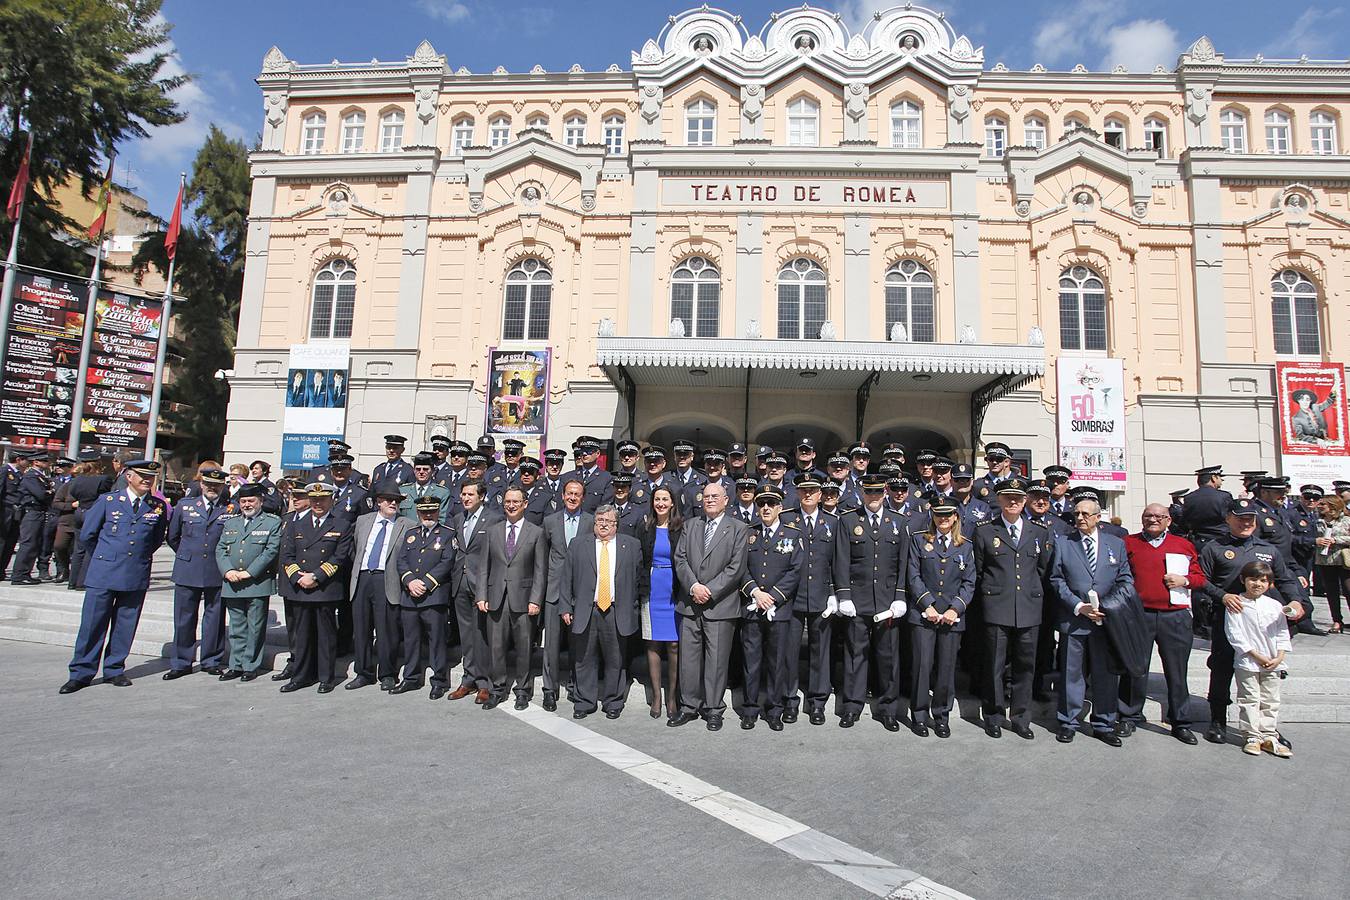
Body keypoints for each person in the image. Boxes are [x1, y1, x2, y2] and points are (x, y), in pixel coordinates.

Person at [1196, 498, 1305, 744]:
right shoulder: (1214, 548)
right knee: (1222, 668)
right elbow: (1201, 580)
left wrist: (1296, 601)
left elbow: (1286, 578)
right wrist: (1223, 596)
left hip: (1262, 622)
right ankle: (1218, 720)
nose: (1246, 522)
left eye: (1250, 518)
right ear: (1228, 519)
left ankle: (1267, 729)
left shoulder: (1268, 549)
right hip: (1228, 616)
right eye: (1240, 517)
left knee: (1265, 676)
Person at [60, 460, 169, 693]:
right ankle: (81, 672)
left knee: (125, 625)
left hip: (135, 572)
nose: (147, 480)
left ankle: (114, 669)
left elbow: (155, 540)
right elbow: (89, 535)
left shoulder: (156, 506)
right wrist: (106, 557)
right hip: (104, 572)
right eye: (141, 475)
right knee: (92, 625)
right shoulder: (108, 502)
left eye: (151, 477)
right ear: (129, 476)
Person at [970, 479, 1055, 739]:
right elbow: (980, 570)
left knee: (1025, 666)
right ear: (999, 500)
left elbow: (1042, 570)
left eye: (1018, 497)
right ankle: (994, 716)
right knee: (994, 665)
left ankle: (1021, 717)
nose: (1013, 502)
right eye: (1008, 497)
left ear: (1025, 500)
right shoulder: (985, 531)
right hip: (996, 605)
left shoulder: (1038, 531)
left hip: (1028, 607)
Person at [1048, 497, 1136, 746]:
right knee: (1071, 673)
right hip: (1074, 619)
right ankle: (1068, 721)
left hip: (1106, 621)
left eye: (1086, 514)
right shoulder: (1064, 543)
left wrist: (1107, 607)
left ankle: (1104, 723)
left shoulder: (1115, 544)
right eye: (1076, 514)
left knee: (1105, 674)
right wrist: (1079, 606)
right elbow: (1056, 579)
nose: (1080, 518)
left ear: (1098, 517)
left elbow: (1125, 580)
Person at [1119, 504, 1206, 744]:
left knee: (1177, 672)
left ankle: (1180, 722)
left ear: (1168, 520)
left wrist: (1184, 579)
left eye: (1159, 516)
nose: (1153, 520)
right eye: (1148, 516)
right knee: (1135, 668)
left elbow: (1200, 578)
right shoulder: (1129, 543)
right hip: (1140, 614)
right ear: (1142, 519)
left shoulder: (1183, 545)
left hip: (1175, 616)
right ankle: (1129, 715)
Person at [831, 471, 910, 731]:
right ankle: (852, 706)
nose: (873, 496)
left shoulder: (899, 521)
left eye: (878, 492)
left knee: (888, 657)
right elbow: (841, 559)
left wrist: (900, 596)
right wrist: (843, 595)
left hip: (888, 603)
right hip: (858, 600)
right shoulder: (849, 519)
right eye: (869, 492)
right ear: (861, 493)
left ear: (885, 492)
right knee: (854, 655)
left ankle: (887, 708)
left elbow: (903, 563)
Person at [670, 481, 749, 731]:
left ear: (727, 500)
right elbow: (680, 559)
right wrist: (694, 587)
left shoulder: (738, 528)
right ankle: (689, 707)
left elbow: (736, 568)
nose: (710, 500)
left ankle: (714, 709)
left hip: (720, 605)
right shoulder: (691, 525)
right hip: (690, 602)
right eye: (706, 496)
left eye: (716, 496)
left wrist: (710, 590)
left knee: (716, 661)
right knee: (689, 660)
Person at [559, 505, 647, 719]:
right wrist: (565, 607)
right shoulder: (579, 544)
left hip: (617, 611)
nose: (604, 525)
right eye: (600, 521)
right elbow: (566, 578)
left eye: (608, 521)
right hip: (586, 610)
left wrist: (632, 606)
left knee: (615, 659)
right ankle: (584, 702)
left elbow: (638, 579)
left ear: (616, 524)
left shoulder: (632, 545)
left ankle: (613, 701)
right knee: (584, 658)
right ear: (594, 523)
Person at [906, 493, 976, 738]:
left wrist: (954, 608)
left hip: (951, 618)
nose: (943, 519)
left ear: (956, 517)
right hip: (924, 615)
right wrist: (928, 605)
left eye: (948, 515)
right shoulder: (919, 541)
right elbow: (913, 575)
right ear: (932, 516)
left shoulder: (965, 546)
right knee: (922, 667)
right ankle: (919, 716)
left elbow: (969, 583)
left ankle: (942, 716)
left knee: (946, 670)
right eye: (938, 514)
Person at [474, 485, 547, 709]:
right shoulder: (492, 531)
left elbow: (540, 570)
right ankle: (497, 689)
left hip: (524, 600)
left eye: (516, 502)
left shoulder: (536, 532)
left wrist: (535, 600)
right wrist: (481, 595)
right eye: (508, 502)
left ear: (525, 504)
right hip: (496, 598)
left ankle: (522, 690)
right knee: (496, 647)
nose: (511, 505)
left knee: (524, 648)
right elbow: (483, 567)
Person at [277, 482, 355, 694]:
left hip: (324, 588)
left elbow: (340, 557)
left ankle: (325, 677)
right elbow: (287, 555)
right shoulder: (294, 525)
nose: (318, 503)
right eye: (314, 499)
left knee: (326, 636)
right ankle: (300, 676)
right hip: (300, 587)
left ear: (332, 500)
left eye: (322, 499)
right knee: (300, 636)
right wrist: (298, 577)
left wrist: (316, 577)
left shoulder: (341, 525)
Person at [737, 486, 802, 731]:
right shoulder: (748, 534)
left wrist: (772, 597)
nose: (765, 508)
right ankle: (750, 709)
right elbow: (740, 568)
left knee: (776, 662)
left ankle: (774, 709)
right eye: (761, 503)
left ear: (779, 508)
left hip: (780, 609)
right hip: (753, 608)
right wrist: (755, 592)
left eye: (770, 503)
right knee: (751, 662)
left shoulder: (792, 535)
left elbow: (795, 571)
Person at [164, 468, 231, 679]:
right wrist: (187, 555)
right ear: (201, 484)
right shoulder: (185, 506)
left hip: (216, 570)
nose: (212, 488)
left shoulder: (231, 509)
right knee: (184, 619)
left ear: (223, 487)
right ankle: (181, 662)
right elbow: (173, 537)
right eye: (208, 484)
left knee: (215, 619)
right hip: (188, 568)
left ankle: (211, 660)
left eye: (217, 485)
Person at [782, 472, 837, 726]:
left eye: (812, 490)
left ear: (820, 494)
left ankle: (817, 702)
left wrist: (836, 594)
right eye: (803, 490)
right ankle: (790, 701)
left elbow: (838, 562)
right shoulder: (786, 520)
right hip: (791, 597)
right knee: (789, 652)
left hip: (821, 596)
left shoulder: (833, 522)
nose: (807, 494)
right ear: (797, 493)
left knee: (820, 652)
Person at [215, 483, 282, 681]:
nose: (246, 504)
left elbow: (271, 551)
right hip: (232, 582)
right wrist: (228, 571)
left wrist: (249, 573)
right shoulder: (231, 523)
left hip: (256, 583)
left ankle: (250, 666)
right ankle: (235, 665)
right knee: (236, 628)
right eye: (243, 501)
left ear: (260, 501)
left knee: (255, 627)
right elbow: (220, 549)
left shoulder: (272, 522)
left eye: (251, 500)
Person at [1225, 561, 1293, 757]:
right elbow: (1234, 634)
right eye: (1253, 579)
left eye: (1263, 580)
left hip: (1273, 662)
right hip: (1248, 661)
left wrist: (1279, 657)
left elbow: (1282, 633)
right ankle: (1252, 736)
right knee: (1249, 698)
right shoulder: (1237, 603)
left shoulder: (1275, 605)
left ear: (1269, 583)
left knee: (1270, 699)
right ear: (1243, 580)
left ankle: (1269, 734)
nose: (1257, 584)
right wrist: (1255, 655)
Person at [393, 495, 458, 699]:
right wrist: (410, 581)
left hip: (434, 596)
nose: (428, 515)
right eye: (424, 511)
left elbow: (447, 562)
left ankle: (439, 681)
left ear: (438, 512)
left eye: (432, 511)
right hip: (410, 595)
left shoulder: (447, 534)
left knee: (436, 640)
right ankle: (411, 678)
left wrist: (426, 583)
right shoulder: (411, 533)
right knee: (411, 640)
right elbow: (401, 560)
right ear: (418, 512)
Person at [346, 489, 411, 691]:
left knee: (387, 630)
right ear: (378, 502)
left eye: (397, 501)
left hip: (387, 578)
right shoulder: (364, 521)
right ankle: (363, 672)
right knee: (361, 629)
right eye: (389, 500)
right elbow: (355, 548)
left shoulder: (407, 525)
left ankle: (388, 673)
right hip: (363, 576)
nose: (394, 503)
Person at [447, 479, 499, 703]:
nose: (466, 498)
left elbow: (497, 556)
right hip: (460, 583)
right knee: (466, 635)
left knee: (482, 635)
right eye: (463, 494)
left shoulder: (494, 519)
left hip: (482, 585)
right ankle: (468, 679)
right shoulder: (459, 519)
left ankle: (484, 682)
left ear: (481, 497)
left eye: (470, 495)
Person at [542, 480, 592, 710]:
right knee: (551, 644)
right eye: (569, 494)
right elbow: (543, 559)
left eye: (577, 494)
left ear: (583, 498)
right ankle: (549, 690)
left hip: (580, 591)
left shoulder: (590, 521)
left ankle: (575, 686)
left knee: (578, 643)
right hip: (553, 590)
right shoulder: (550, 521)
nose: (573, 498)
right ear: (562, 496)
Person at [638, 485, 682, 718]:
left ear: (672, 502)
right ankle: (657, 696)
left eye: (665, 499)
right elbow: (639, 559)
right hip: (652, 588)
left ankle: (672, 697)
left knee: (673, 645)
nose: (661, 503)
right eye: (657, 499)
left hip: (673, 589)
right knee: (653, 643)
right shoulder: (645, 527)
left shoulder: (680, 528)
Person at [10, 450, 54, 585]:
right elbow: (40, 494)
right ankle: (19, 575)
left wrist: (49, 492)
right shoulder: (31, 476)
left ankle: (25, 573)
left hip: (38, 512)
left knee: (34, 543)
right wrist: (50, 492)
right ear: (36, 462)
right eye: (44, 461)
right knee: (28, 543)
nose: (47, 463)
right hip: (31, 512)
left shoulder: (40, 476)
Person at [1314, 495, 1350, 634]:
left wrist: (1336, 539)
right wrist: (1317, 540)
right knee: (1331, 591)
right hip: (1325, 561)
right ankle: (1337, 620)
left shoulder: (1346, 520)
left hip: (1343, 561)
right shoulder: (1317, 521)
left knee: (1348, 590)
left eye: (1323, 504)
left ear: (1332, 506)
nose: (1319, 505)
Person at [1179, 465, 1232, 549]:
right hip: (1221, 540)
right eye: (1219, 477)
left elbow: (1185, 521)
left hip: (1198, 542)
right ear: (1213, 478)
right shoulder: (1224, 496)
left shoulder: (1189, 498)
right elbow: (1230, 518)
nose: (1221, 481)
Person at [559, 435, 613, 512]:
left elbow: (604, 508)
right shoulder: (567, 477)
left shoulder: (607, 478)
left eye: (589, 451)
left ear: (597, 454)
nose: (584, 454)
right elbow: (561, 505)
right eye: (582, 451)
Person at [398, 452, 452, 523]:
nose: (421, 472)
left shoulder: (442, 492)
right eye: (418, 469)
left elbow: (442, 519)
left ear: (432, 471)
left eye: (425, 469)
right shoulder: (403, 490)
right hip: (406, 532)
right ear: (414, 471)